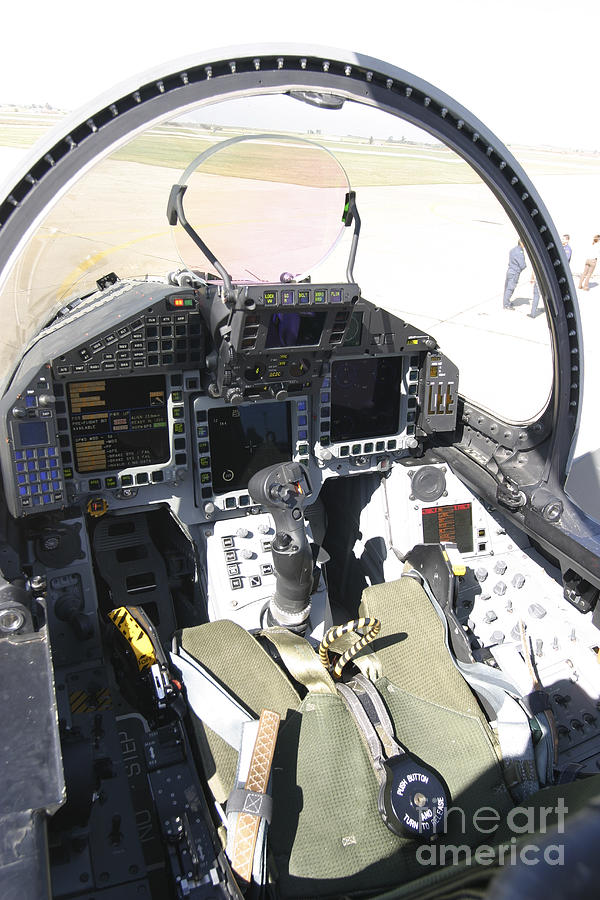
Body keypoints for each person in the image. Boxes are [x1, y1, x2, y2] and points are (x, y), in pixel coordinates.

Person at [502, 240, 526, 309]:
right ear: (521, 243)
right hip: (515, 272)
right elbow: (523, 265)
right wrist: (519, 270)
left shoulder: (513, 250)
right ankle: (506, 304)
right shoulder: (520, 252)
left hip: (510, 270)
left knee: (507, 287)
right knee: (510, 288)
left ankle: (506, 302)